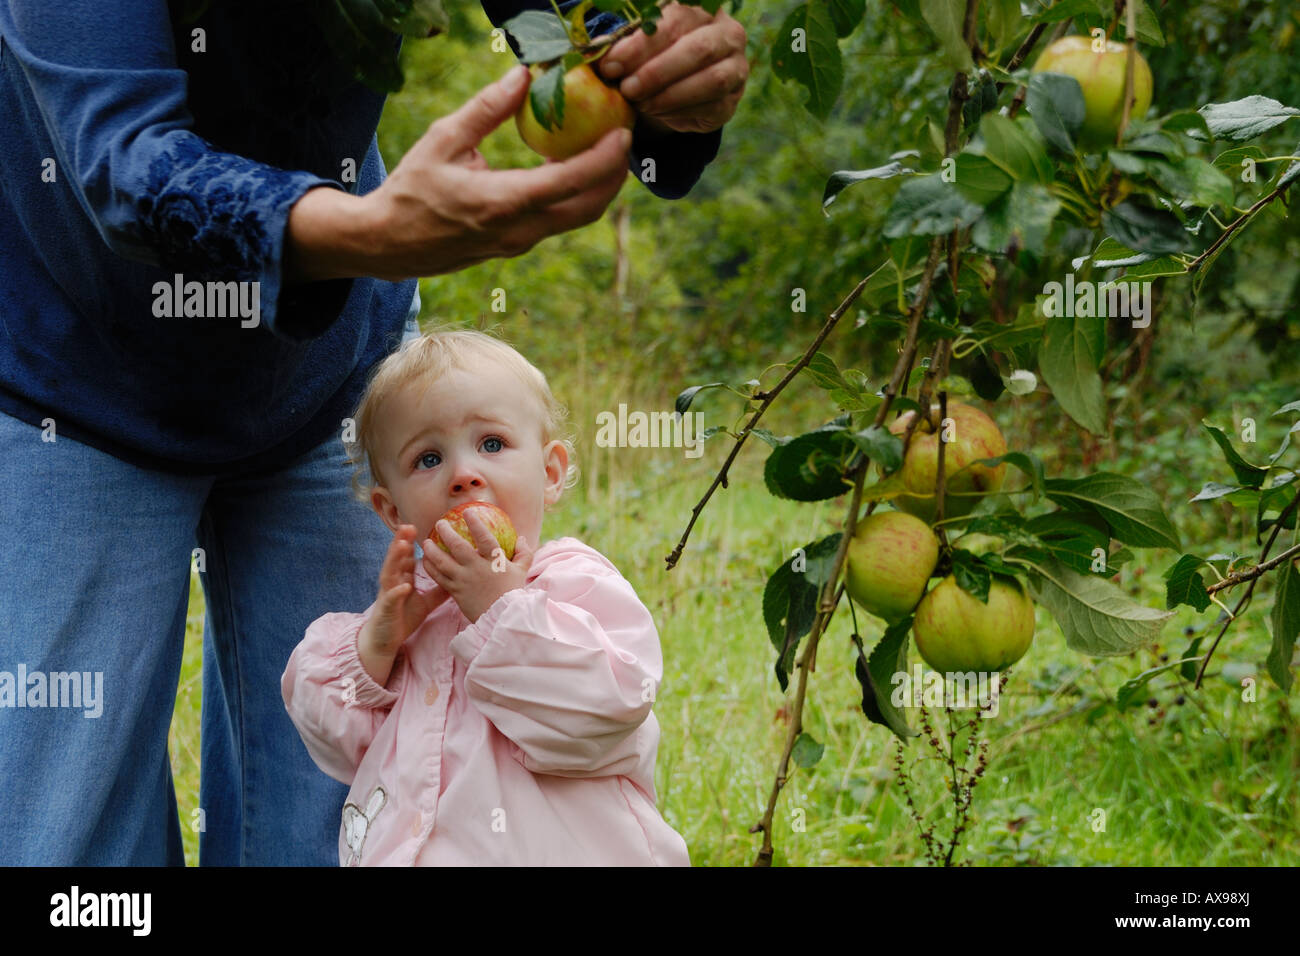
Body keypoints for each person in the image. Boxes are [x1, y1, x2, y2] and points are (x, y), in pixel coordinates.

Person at [0, 0, 746, 865]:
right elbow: (123, 160)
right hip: (77, 376)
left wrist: (667, 92)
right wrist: (370, 230)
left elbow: (588, 26)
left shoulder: (543, 575)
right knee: (61, 840)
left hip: (337, 382)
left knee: (336, 818)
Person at [282, 329, 689, 865]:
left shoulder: (574, 584)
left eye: (491, 444)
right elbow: (335, 743)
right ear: (393, 512)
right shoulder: (412, 617)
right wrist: (375, 645)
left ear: (550, 473)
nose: (463, 475)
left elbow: (606, 712)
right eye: (428, 459)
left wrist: (501, 609)